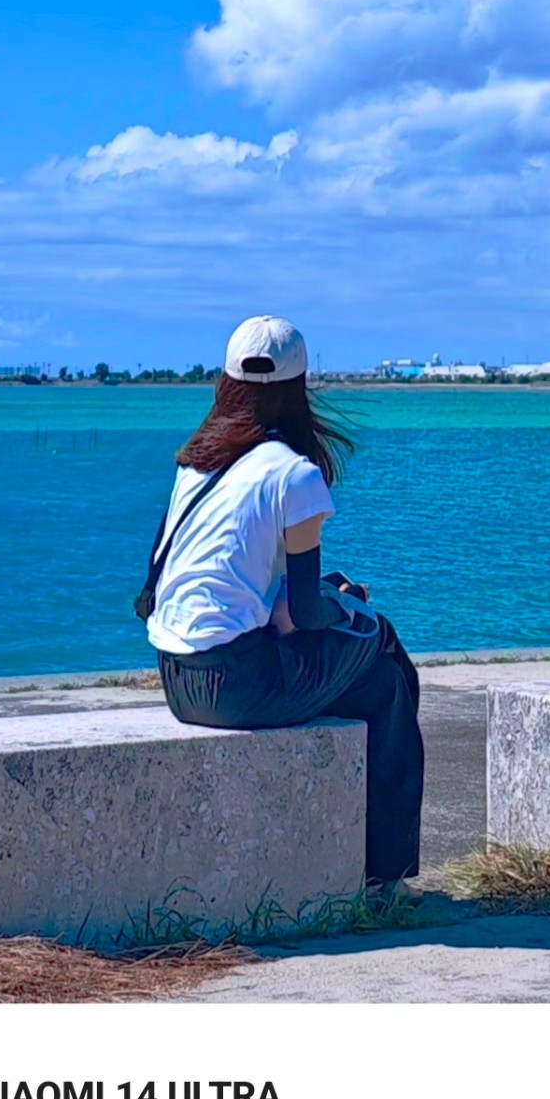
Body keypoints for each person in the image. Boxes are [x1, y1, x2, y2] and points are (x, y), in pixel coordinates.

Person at [146, 315, 423, 887]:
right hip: (237, 686)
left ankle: (372, 868)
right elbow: (304, 613)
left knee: (369, 684)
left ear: (226, 384)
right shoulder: (294, 476)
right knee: (387, 660)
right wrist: (353, 610)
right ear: (300, 388)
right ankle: (387, 878)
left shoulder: (196, 464)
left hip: (178, 679)